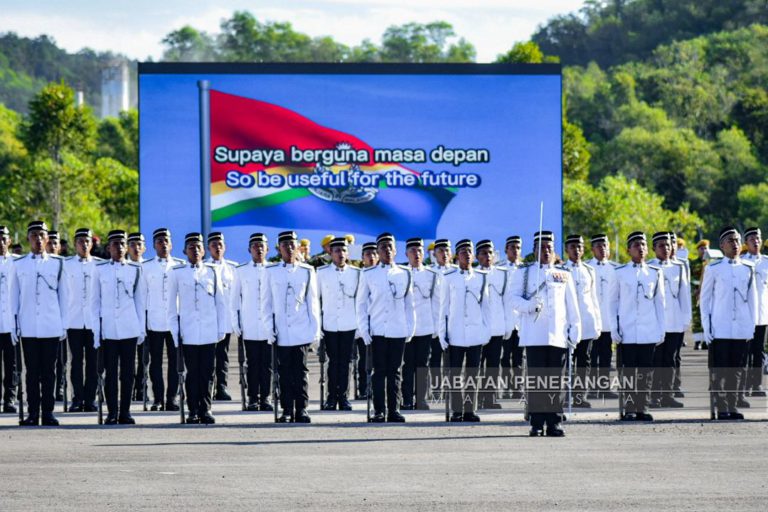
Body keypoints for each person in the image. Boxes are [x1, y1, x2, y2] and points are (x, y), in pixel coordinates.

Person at [510, 231, 581, 437]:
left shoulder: (563, 274)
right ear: (534, 251)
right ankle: (536, 422)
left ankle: (554, 422)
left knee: (555, 380)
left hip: (557, 334)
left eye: (549, 247)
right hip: (534, 334)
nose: (546, 251)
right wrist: (529, 305)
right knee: (536, 380)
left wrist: (574, 330)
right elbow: (513, 300)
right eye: (542, 248)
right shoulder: (524, 273)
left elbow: (572, 305)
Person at [167, 233, 228, 424]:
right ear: (185, 251)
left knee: (208, 373)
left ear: (203, 251)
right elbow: (171, 306)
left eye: (198, 247)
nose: (195, 250)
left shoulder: (212, 272)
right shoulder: (177, 273)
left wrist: (221, 328)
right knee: (191, 373)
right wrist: (174, 332)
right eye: (191, 247)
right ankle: (193, 409)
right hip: (189, 331)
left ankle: (206, 408)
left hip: (209, 330)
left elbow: (221, 302)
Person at [11, 221, 68, 426]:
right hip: (28, 326)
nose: (37, 238)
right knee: (31, 372)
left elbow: (64, 295)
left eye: (41, 235)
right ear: (28, 238)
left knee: (50, 373)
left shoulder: (58, 263)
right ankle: (33, 413)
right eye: (33, 235)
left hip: (51, 325)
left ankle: (49, 412)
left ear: (47, 238)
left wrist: (63, 324)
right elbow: (13, 296)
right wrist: (14, 324)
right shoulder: (18, 264)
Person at [356, 232, 415, 423]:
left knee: (395, 371)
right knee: (379, 371)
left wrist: (410, 328)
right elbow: (361, 304)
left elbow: (409, 303)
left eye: (390, 247)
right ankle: (379, 410)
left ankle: (394, 410)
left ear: (396, 250)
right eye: (383, 247)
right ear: (378, 251)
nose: (387, 250)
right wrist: (364, 329)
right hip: (378, 330)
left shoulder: (405, 273)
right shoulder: (368, 274)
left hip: (398, 329)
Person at [263, 231, 321, 423]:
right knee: (284, 372)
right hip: (281, 331)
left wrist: (315, 331)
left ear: (297, 247)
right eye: (285, 244)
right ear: (279, 248)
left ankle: (302, 409)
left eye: (292, 244)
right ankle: (287, 409)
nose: (289, 248)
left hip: (301, 329)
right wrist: (268, 328)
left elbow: (312, 303)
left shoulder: (306, 270)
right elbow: (267, 303)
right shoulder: (271, 271)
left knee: (301, 372)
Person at [700, 226, 758, 420]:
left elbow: (752, 300)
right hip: (720, 327)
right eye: (731, 241)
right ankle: (721, 406)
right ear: (722, 245)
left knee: (737, 370)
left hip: (741, 327)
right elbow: (705, 300)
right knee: (721, 370)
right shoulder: (713, 269)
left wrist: (752, 325)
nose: (735, 244)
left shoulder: (748, 268)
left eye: (737, 240)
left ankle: (732, 406)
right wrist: (706, 327)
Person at [91, 230, 147, 425]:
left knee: (127, 373)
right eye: (115, 244)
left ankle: (125, 411)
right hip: (108, 329)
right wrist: (96, 332)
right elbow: (94, 303)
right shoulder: (100, 269)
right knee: (110, 373)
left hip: (129, 328)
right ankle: (112, 411)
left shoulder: (135, 269)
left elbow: (140, 302)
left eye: (122, 244)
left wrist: (141, 329)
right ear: (109, 247)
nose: (119, 247)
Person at [610, 231, 665, 422]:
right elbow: (612, 303)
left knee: (645, 372)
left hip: (648, 330)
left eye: (643, 244)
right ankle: (629, 407)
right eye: (636, 245)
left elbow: (660, 303)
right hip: (626, 330)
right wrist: (614, 328)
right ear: (628, 250)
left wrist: (661, 329)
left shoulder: (655, 273)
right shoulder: (619, 272)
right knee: (627, 371)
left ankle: (643, 407)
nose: (640, 248)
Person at [439, 239, 491, 422]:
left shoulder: (481, 277)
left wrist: (486, 331)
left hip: (476, 333)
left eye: (469, 251)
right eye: (463, 251)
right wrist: (442, 333)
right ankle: (456, 410)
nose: (467, 255)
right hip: (455, 333)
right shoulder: (448, 277)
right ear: (456, 255)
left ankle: (469, 410)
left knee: (472, 374)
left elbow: (486, 308)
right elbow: (443, 308)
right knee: (454, 374)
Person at [142, 228, 185, 411]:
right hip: (154, 320)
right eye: (159, 241)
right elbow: (142, 296)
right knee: (155, 362)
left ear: (172, 244)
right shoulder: (146, 267)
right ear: (154, 245)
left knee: (176, 361)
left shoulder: (180, 265)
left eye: (166, 240)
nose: (163, 244)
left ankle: (172, 398)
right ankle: (158, 399)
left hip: (175, 321)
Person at [317, 237, 360, 411]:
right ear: (330, 253)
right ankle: (331, 397)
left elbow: (360, 300)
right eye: (336, 251)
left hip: (350, 323)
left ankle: (343, 397)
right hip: (330, 323)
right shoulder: (321, 272)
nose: (340, 254)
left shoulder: (356, 273)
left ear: (348, 253)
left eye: (343, 250)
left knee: (346, 362)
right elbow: (316, 300)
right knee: (333, 362)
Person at [231, 233, 273, 411]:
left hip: (269, 325)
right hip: (249, 324)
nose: (259, 248)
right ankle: (252, 398)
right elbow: (234, 300)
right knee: (252, 363)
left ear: (268, 249)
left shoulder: (274, 269)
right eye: (255, 245)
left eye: (262, 245)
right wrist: (236, 323)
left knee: (268, 364)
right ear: (249, 249)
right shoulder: (241, 270)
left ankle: (266, 397)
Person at [647, 232, 689, 409]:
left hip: (674, 320)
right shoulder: (649, 266)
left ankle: (668, 394)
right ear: (654, 248)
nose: (666, 248)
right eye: (661, 245)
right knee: (655, 360)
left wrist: (685, 320)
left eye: (668, 245)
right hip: (656, 321)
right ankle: (654, 396)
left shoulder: (679, 266)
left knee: (670, 360)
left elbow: (684, 295)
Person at [62, 228, 101, 413]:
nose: (84, 244)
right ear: (74, 244)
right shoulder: (66, 264)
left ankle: (90, 399)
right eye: (80, 241)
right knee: (76, 361)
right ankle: (77, 399)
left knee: (93, 362)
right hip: (74, 319)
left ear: (92, 244)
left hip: (93, 322)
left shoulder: (100, 265)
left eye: (87, 241)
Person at [563, 234, 601, 408]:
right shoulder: (561, 270)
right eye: (572, 247)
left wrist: (597, 322)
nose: (576, 250)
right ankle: (565, 395)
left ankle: (579, 396)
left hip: (586, 320)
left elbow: (594, 298)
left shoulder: (589, 270)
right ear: (566, 250)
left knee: (584, 360)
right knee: (565, 361)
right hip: (567, 322)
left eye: (579, 247)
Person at [402, 238, 438, 410]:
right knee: (407, 364)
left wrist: (437, 327)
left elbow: (436, 302)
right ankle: (407, 398)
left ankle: (421, 398)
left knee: (423, 364)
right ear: (406, 254)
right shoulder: (401, 273)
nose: (416, 254)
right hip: (406, 326)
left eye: (419, 251)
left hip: (425, 325)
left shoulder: (431, 275)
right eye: (413, 251)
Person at [475, 239, 512, 410]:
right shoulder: (473, 274)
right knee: (476, 366)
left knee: (493, 366)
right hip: (478, 328)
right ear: (477, 256)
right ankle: (475, 398)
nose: (488, 256)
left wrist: (508, 326)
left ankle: (489, 398)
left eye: (490, 253)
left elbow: (507, 301)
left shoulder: (503, 273)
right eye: (484, 253)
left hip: (497, 326)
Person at [205, 232, 238, 401]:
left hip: (225, 318)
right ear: (208, 248)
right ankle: (208, 387)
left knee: (222, 355)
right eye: (213, 245)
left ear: (224, 247)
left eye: (220, 244)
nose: (217, 248)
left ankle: (221, 387)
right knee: (208, 355)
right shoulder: (204, 267)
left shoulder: (233, 268)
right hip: (208, 319)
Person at [586, 234, 619, 399]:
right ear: (592, 249)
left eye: (605, 245)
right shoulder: (586, 267)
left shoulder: (616, 268)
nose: (602, 249)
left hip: (608, 319)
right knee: (591, 356)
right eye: (598, 245)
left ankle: (604, 387)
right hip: (591, 319)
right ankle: (592, 388)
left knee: (606, 356)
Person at [497, 235, 524, 399]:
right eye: (512, 247)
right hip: (506, 319)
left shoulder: (525, 269)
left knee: (520, 358)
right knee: (505, 357)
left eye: (518, 248)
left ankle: (517, 387)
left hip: (521, 320)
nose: (515, 251)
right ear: (506, 250)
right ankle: (507, 386)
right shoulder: (500, 270)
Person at [742, 227, 767, 397]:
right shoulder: (741, 261)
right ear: (746, 243)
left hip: (762, 314)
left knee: (758, 350)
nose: (755, 241)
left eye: (757, 238)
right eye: (751, 239)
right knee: (744, 351)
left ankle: (756, 385)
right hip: (745, 314)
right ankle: (743, 385)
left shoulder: (766, 262)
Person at [429, 239, 455, 398]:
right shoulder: (430, 272)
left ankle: (450, 389)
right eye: (441, 251)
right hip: (435, 322)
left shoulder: (457, 271)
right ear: (434, 254)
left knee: (452, 359)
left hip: (453, 322)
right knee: (435, 359)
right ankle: (437, 389)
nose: (444, 254)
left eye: (447, 251)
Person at [353, 241, 378, 399]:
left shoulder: (381, 274)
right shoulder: (357, 274)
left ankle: (375, 388)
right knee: (363, 358)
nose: (372, 257)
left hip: (378, 322)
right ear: (362, 257)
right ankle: (363, 388)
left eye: (374, 254)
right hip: (361, 322)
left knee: (377, 359)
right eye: (368, 254)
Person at [126, 232, 147, 402]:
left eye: (139, 244)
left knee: (144, 358)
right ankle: (128, 388)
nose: (136, 247)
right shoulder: (123, 267)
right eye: (132, 244)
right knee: (127, 359)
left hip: (145, 316)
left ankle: (141, 389)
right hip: (126, 318)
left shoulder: (148, 267)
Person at [0, 226, 18, 413]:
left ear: (9, 241)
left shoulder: (17, 262)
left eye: (4, 238)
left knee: (12, 364)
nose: (1, 242)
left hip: (10, 322)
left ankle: (10, 399)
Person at [691, 240, 710, 350]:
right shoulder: (693, 263)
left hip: (707, 293)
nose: (704, 250)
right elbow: (690, 277)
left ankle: (705, 341)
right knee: (696, 316)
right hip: (696, 293)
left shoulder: (711, 263)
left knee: (707, 315)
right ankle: (697, 340)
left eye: (706, 248)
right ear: (698, 250)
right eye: (701, 248)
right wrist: (697, 287)